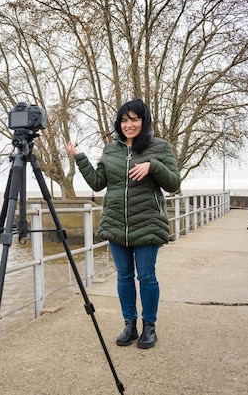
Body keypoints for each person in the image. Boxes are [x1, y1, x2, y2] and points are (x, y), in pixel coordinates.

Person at [65, 99, 181, 349]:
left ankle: (149, 326)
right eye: (124, 120)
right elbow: (98, 183)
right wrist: (80, 158)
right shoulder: (111, 150)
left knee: (147, 277)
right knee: (124, 276)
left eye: (134, 119)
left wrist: (153, 167)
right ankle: (129, 324)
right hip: (116, 222)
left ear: (144, 121)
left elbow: (174, 184)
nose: (128, 124)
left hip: (148, 222)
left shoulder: (160, 147)